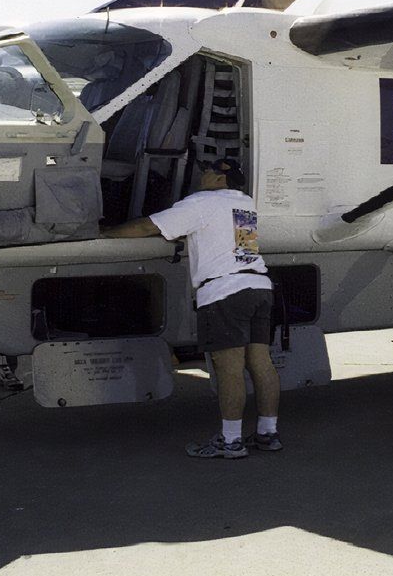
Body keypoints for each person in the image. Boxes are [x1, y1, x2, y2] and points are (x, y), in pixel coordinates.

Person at [103, 157, 279, 459]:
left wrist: (106, 234)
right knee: (261, 363)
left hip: (225, 292)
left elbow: (148, 226)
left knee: (229, 369)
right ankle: (267, 433)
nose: (202, 175)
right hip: (258, 287)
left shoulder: (201, 202)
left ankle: (231, 441)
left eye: (208, 171)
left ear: (221, 178)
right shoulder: (244, 203)